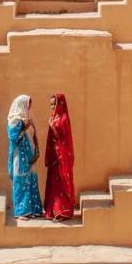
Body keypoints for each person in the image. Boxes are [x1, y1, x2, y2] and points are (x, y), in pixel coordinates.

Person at [6, 94, 43, 219]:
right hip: (18, 157)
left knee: (29, 181)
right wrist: (25, 127)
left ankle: (31, 210)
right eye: (28, 105)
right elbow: (14, 139)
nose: (29, 108)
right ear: (21, 105)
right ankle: (21, 211)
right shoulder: (13, 121)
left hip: (27, 157)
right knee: (20, 181)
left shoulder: (25, 118)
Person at [44, 93, 76, 221]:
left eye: (54, 104)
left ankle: (64, 212)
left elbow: (63, 138)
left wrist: (53, 127)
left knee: (62, 183)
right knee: (54, 184)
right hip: (54, 158)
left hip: (62, 158)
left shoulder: (63, 119)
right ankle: (53, 211)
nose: (52, 107)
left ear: (60, 104)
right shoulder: (54, 117)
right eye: (51, 104)